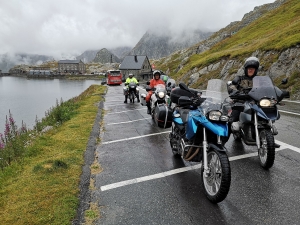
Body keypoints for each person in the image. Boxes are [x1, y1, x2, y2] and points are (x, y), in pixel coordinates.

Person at [228, 56, 280, 147]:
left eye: (252, 69)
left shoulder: (261, 80)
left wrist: (277, 93)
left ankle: (269, 138)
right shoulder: (240, 79)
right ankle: (224, 139)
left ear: (256, 70)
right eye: (249, 69)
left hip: (257, 101)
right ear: (246, 69)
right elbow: (232, 86)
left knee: (268, 110)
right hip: (242, 100)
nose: (250, 71)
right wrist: (233, 91)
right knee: (233, 116)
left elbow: (269, 88)